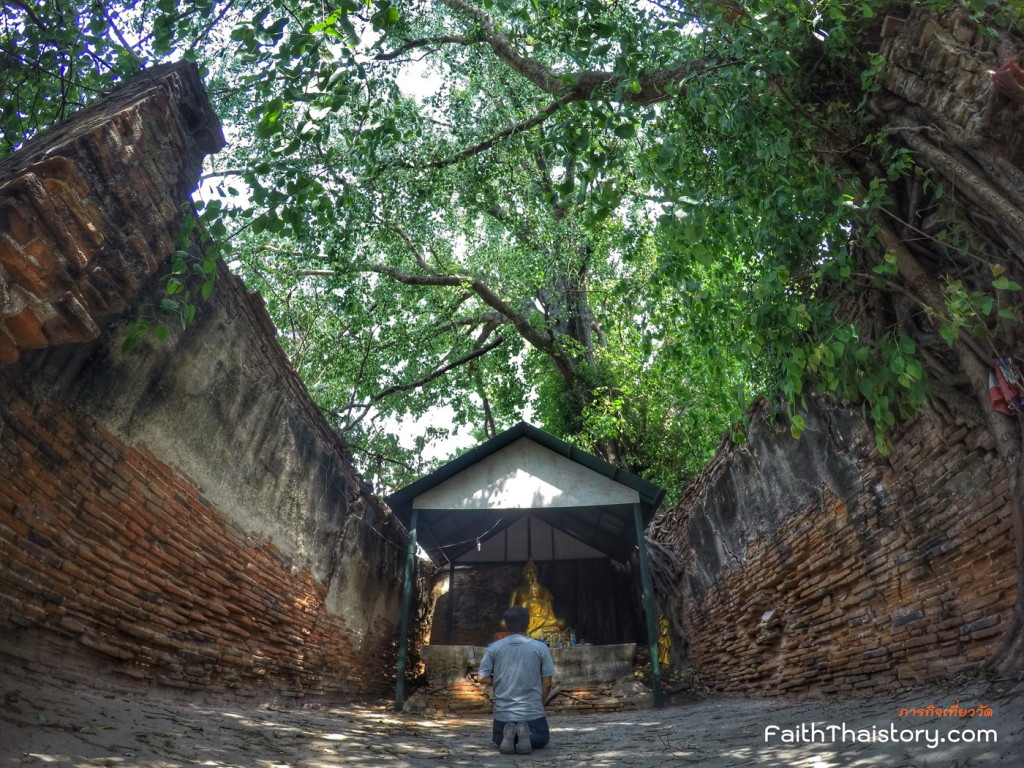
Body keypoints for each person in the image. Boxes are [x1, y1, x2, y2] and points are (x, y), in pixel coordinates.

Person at [476, 605, 555, 754]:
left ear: (506, 624)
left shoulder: (494, 647)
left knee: (498, 740)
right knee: (542, 738)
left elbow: (481, 678)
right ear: (528, 624)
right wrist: (540, 703)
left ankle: (509, 737)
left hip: (503, 715)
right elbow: (547, 683)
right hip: (532, 713)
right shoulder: (540, 647)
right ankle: (528, 737)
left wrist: (497, 680)